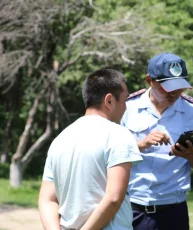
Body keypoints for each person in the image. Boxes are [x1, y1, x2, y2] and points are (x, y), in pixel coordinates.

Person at [38, 69, 142, 230]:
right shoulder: (118, 134)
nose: (126, 107)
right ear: (109, 100)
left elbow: (47, 200)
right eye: (124, 100)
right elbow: (114, 198)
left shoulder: (61, 139)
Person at [121, 52, 193, 230]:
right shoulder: (127, 107)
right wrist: (141, 144)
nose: (174, 94)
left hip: (173, 212)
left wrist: (192, 157)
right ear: (150, 80)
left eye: (179, 88)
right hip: (132, 208)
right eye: (167, 87)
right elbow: (109, 156)